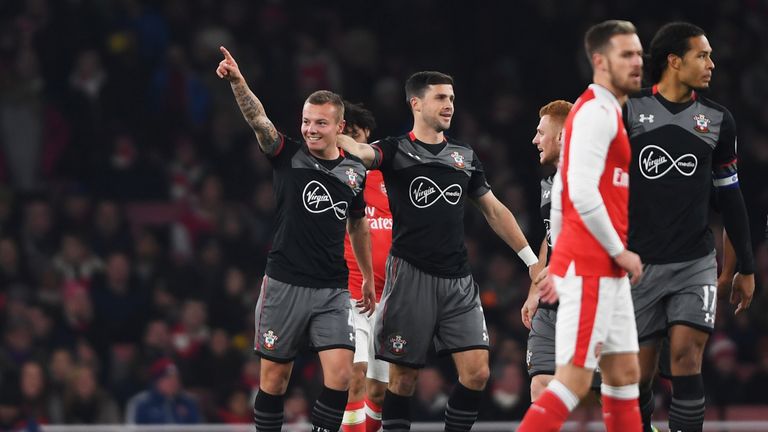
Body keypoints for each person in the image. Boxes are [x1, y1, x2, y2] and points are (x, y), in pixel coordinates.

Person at [337, 71, 538, 432]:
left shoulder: (464, 154)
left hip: (458, 279)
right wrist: (332, 135)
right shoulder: (396, 150)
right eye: (441, 98)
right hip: (409, 277)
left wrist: (532, 262)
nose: (449, 105)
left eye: (452, 99)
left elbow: (494, 209)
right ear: (416, 103)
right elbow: (364, 152)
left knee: (477, 372)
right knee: (401, 383)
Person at [216, 46, 376, 432]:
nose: (310, 130)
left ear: (339, 128)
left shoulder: (355, 172)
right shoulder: (286, 154)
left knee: (340, 377)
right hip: (285, 283)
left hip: (332, 288)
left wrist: (368, 277)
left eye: (320, 123)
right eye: (306, 122)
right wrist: (239, 82)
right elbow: (258, 119)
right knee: (274, 381)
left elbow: (357, 225)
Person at [624, 22, 755, 432]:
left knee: (685, 356)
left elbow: (731, 198)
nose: (712, 64)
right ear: (674, 61)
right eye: (703, 55)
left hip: (695, 261)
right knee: (638, 378)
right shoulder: (626, 112)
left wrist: (745, 268)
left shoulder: (718, 120)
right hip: (638, 264)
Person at [517, 19, 645, 432]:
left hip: (598, 270)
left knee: (624, 377)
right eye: (627, 54)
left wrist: (554, 264)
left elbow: (559, 200)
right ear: (600, 61)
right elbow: (583, 194)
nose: (638, 62)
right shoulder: (595, 113)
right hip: (595, 268)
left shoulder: (604, 110)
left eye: (639, 53)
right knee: (571, 381)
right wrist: (618, 250)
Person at [340, 101, 391, 432]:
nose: (349, 143)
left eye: (354, 135)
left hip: (391, 295)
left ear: (367, 134)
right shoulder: (337, 174)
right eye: (343, 135)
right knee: (354, 375)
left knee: (379, 390)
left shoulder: (391, 174)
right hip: (353, 293)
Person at [521, 99, 575, 401]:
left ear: (562, 136)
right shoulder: (548, 184)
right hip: (552, 302)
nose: (535, 140)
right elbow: (550, 236)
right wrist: (534, 289)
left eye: (541, 133)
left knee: (607, 394)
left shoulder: (594, 178)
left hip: (588, 299)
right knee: (541, 386)